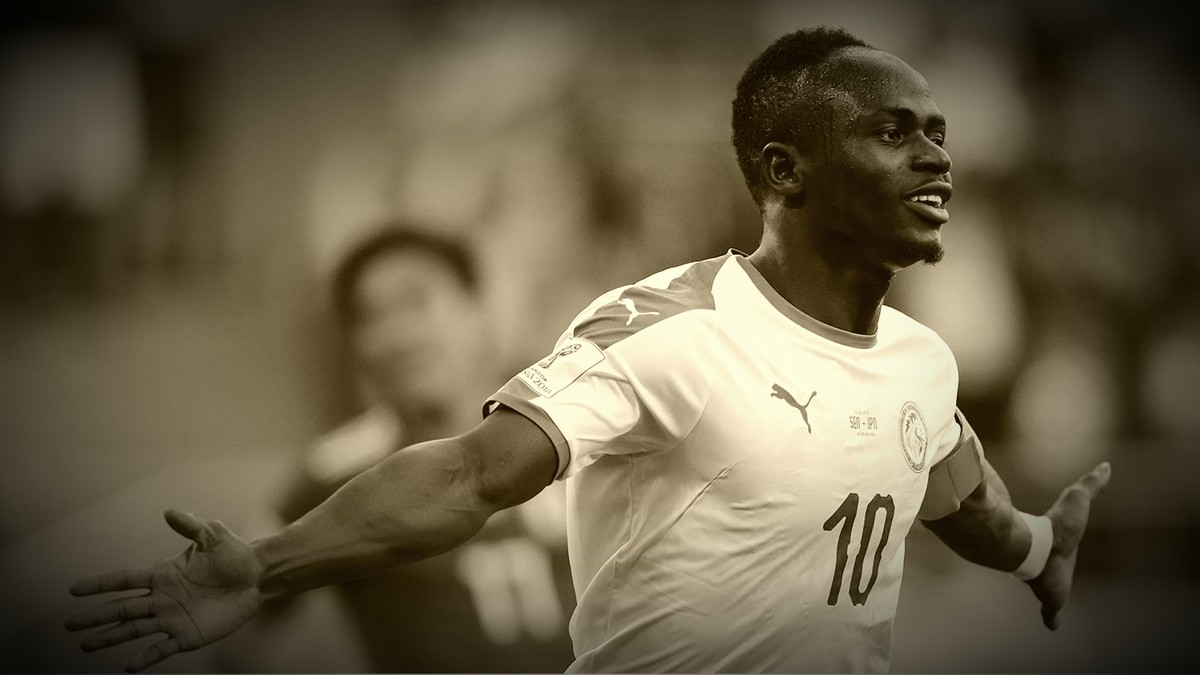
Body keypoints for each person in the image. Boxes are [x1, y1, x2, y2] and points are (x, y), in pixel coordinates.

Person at [64, 26, 1111, 674]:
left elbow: (958, 491)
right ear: (785, 172)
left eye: (936, 132)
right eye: (891, 133)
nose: (934, 158)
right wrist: (266, 567)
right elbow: (471, 475)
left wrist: (1035, 549)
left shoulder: (919, 363)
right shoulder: (667, 328)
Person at [218, 225, 575, 673]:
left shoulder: (575, 432)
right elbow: (231, 622)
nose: (397, 334)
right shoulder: (334, 476)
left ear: (478, 308)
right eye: (369, 316)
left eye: (415, 301)